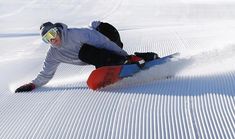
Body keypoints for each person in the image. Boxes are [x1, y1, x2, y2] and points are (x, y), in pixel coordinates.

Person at [15, 21, 159, 92]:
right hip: (101, 52)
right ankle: (143, 57)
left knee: (86, 52)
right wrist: (33, 84)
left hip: (106, 32)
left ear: (57, 30)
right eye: (47, 39)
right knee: (90, 55)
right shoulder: (54, 54)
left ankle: (126, 60)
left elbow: (103, 41)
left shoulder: (75, 35)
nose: (52, 39)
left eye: (52, 34)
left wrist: (124, 56)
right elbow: (46, 73)